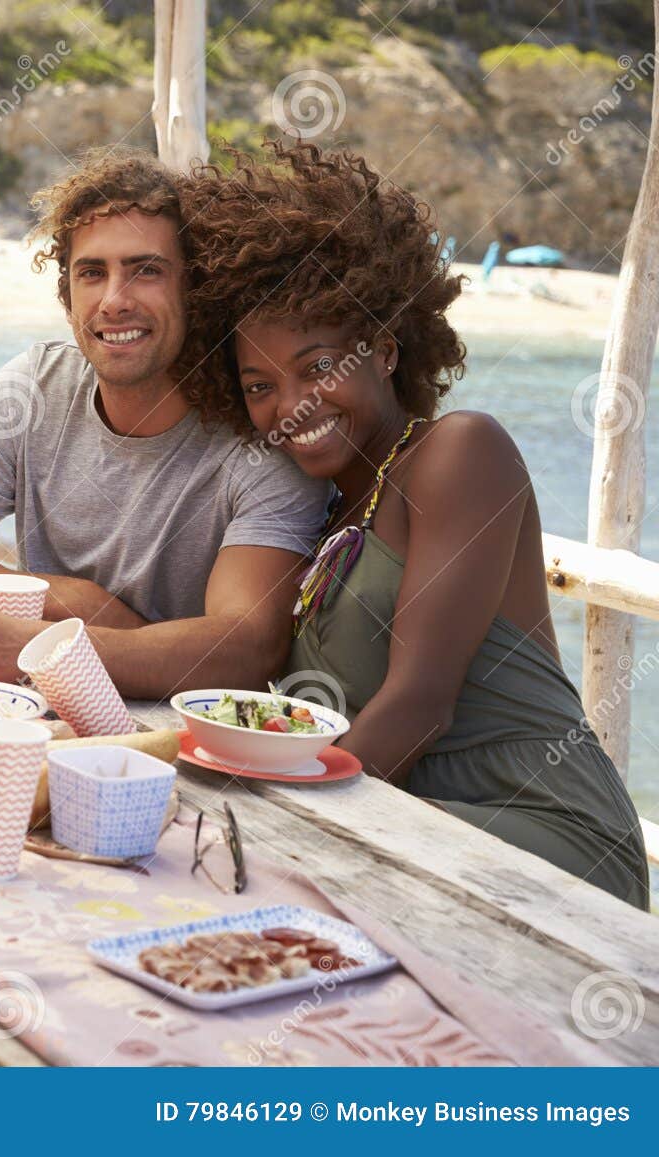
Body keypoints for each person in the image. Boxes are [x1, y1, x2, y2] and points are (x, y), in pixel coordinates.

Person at [178, 141, 648, 908]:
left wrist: (282, 826)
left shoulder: (460, 453)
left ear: (386, 348)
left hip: (542, 829)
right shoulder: (324, 510)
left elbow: (419, 703)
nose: (292, 403)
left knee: (244, 885)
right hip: (403, 815)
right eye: (260, 384)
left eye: (319, 364)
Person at [0, 149, 330, 698]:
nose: (114, 300)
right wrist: (74, 603)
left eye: (145, 271)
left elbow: (247, 649)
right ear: (67, 294)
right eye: (91, 273)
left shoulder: (259, 433)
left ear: (196, 289)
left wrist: (32, 645)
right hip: (30, 718)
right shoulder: (34, 388)